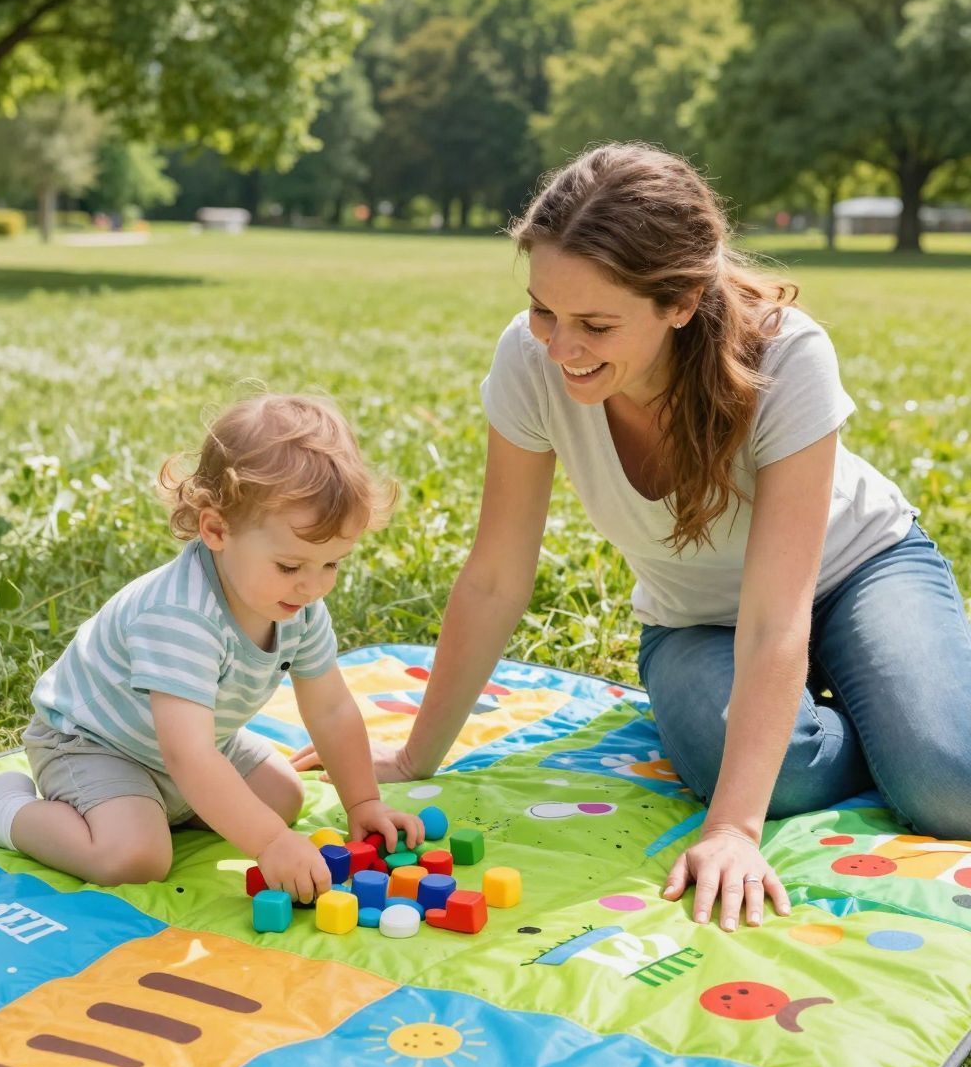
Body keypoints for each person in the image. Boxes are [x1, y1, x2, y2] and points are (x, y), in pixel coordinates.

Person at [300, 144, 971, 930]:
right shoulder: (530, 359)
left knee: (947, 784)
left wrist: (731, 831)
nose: (560, 347)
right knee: (777, 773)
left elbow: (776, 614)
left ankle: (891, 706)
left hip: (856, 572)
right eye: (544, 309)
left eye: (595, 323)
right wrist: (416, 758)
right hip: (695, 623)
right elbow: (495, 577)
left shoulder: (788, 355)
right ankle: (854, 713)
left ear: (680, 301)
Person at [0, 394, 424, 895]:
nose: (315, 586)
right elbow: (189, 756)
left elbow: (331, 711)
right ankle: (7, 811)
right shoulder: (180, 615)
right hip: (95, 744)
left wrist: (363, 803)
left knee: (283, 798)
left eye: (332, 564)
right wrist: (269, 843)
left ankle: (152, 808)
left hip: (194, 744)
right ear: (216, 529)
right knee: (135, 858)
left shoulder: (296, 605)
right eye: (290, 566)